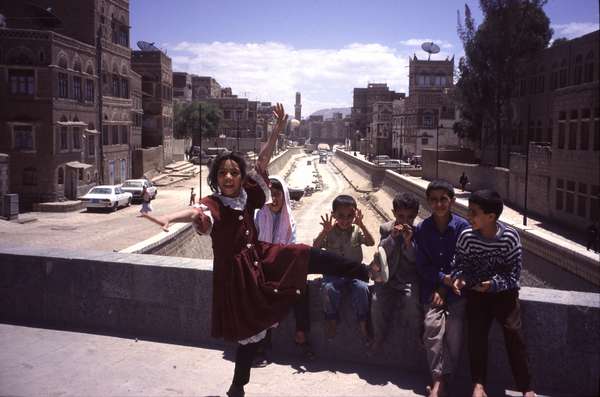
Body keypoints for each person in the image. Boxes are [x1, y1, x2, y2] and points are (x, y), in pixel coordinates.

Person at [141, 104, 371, 397]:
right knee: (248, 336)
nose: (228, 177)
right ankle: (238, 387)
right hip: (238, 273)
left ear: (240, 177)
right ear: (216, 178)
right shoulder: (214, 204)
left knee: (301, 254)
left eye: (233, 172)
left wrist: (277, 129)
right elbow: (197, 212)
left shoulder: (247, 196)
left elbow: (262, 162)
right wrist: (168, 218)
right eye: (222, 173)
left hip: (260, 256)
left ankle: (365, 270)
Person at [451, 189, 535, 397]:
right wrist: (461, 279)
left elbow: (513, 274)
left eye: (473, 213)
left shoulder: (509, 237)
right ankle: (478, 384)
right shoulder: (467, 236)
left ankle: (526, 387)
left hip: (504, 294)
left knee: (514, 334)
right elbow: (459, 265)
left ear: (491, 217)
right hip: (477, 294)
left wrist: (493, 285)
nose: (468, 216)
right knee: (476, 335)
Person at [414, 179, 470, 397]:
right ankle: (439, 381)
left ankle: (444, 381)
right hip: (432, 289)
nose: (439, 204)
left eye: (443, 200)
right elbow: (422, 265)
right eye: (434, 200)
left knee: (454, 330)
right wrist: (440, 281)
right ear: (428, 202)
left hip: (456, 290)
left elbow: (464, 262)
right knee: (432, 327)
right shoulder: (423, 229)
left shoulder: (462, 228)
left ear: (452, 201)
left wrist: (445, 287)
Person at [252, 176, 314, 365]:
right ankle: (262, 345)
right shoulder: (258, 216)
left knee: (301, 290)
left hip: (282, 267)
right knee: (262, 293)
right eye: (271, 194)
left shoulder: (290, 220)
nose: (274, 199)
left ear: (284, 196)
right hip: (262, 266)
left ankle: (301, 337)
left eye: (278, 194)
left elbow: (292, 247)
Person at [313, 195, 375, 344]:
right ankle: (332, 319)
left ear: (355, 215)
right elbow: (315, 247)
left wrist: (362, 225)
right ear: (333, 215)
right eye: (341, 216)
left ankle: (363, 322)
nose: (345, 220)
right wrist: (324, 231)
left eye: (350, 216)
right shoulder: (329, 231)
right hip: (333, 274)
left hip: (354, 273)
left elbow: (371, 242)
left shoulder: (356, 230)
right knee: (328, 290)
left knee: (362, 290)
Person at [369, 192, 421, 352]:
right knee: (377, 303)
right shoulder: (386, 229)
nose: (405, 221)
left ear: (416, 215)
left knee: (412, 304)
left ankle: (417, 336)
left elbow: (415, 258)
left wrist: (408, 242)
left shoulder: (418, 231)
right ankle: (378, 337)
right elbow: (381, 251)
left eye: (410, 217)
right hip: (387, 278)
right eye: (401, 216)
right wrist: (392, 238)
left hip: (407, 280)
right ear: (394, 213)